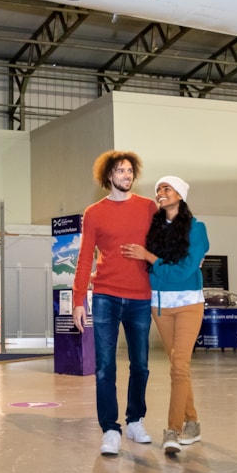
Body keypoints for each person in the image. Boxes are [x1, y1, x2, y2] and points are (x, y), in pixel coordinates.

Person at [73, 150, 155, 457]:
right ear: (109, 176)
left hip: (141, 297)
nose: (127, 175)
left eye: (130, 171)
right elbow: (83, 259)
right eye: (121, 171)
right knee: (105, 367)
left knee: (142, 365)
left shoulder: (148, 208)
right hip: (105, 295)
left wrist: (151, 258)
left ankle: (135, 420)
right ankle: (110, 429)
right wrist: (79, 299)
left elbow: (164, 244)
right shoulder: (94, 212)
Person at [123, 175, 209, 457]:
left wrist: (150, 258)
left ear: (180, 195)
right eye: (158, 189)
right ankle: (193, 423)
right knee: (178, 367)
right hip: (160, 306)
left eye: (166, 188)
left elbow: (182, 272)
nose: (160, 193)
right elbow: (164, 270)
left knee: (178, 366)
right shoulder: (155, 229)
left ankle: (172, 430)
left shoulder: (197, 229)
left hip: (188, 305)